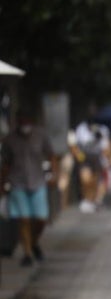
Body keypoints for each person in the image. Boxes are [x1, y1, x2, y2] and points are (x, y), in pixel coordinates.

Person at [1, 112, 58, 266]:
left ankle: (33, 242)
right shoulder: (10, 140)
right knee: (24, 219)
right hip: (17, 183)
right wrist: (2, 184)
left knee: (41, 219)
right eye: (21, 121)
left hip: (38, 181)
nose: (24, 124)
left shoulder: (41, 136)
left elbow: (51, 155)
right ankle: (27, 253)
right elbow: (5, 165)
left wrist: (54, 175)